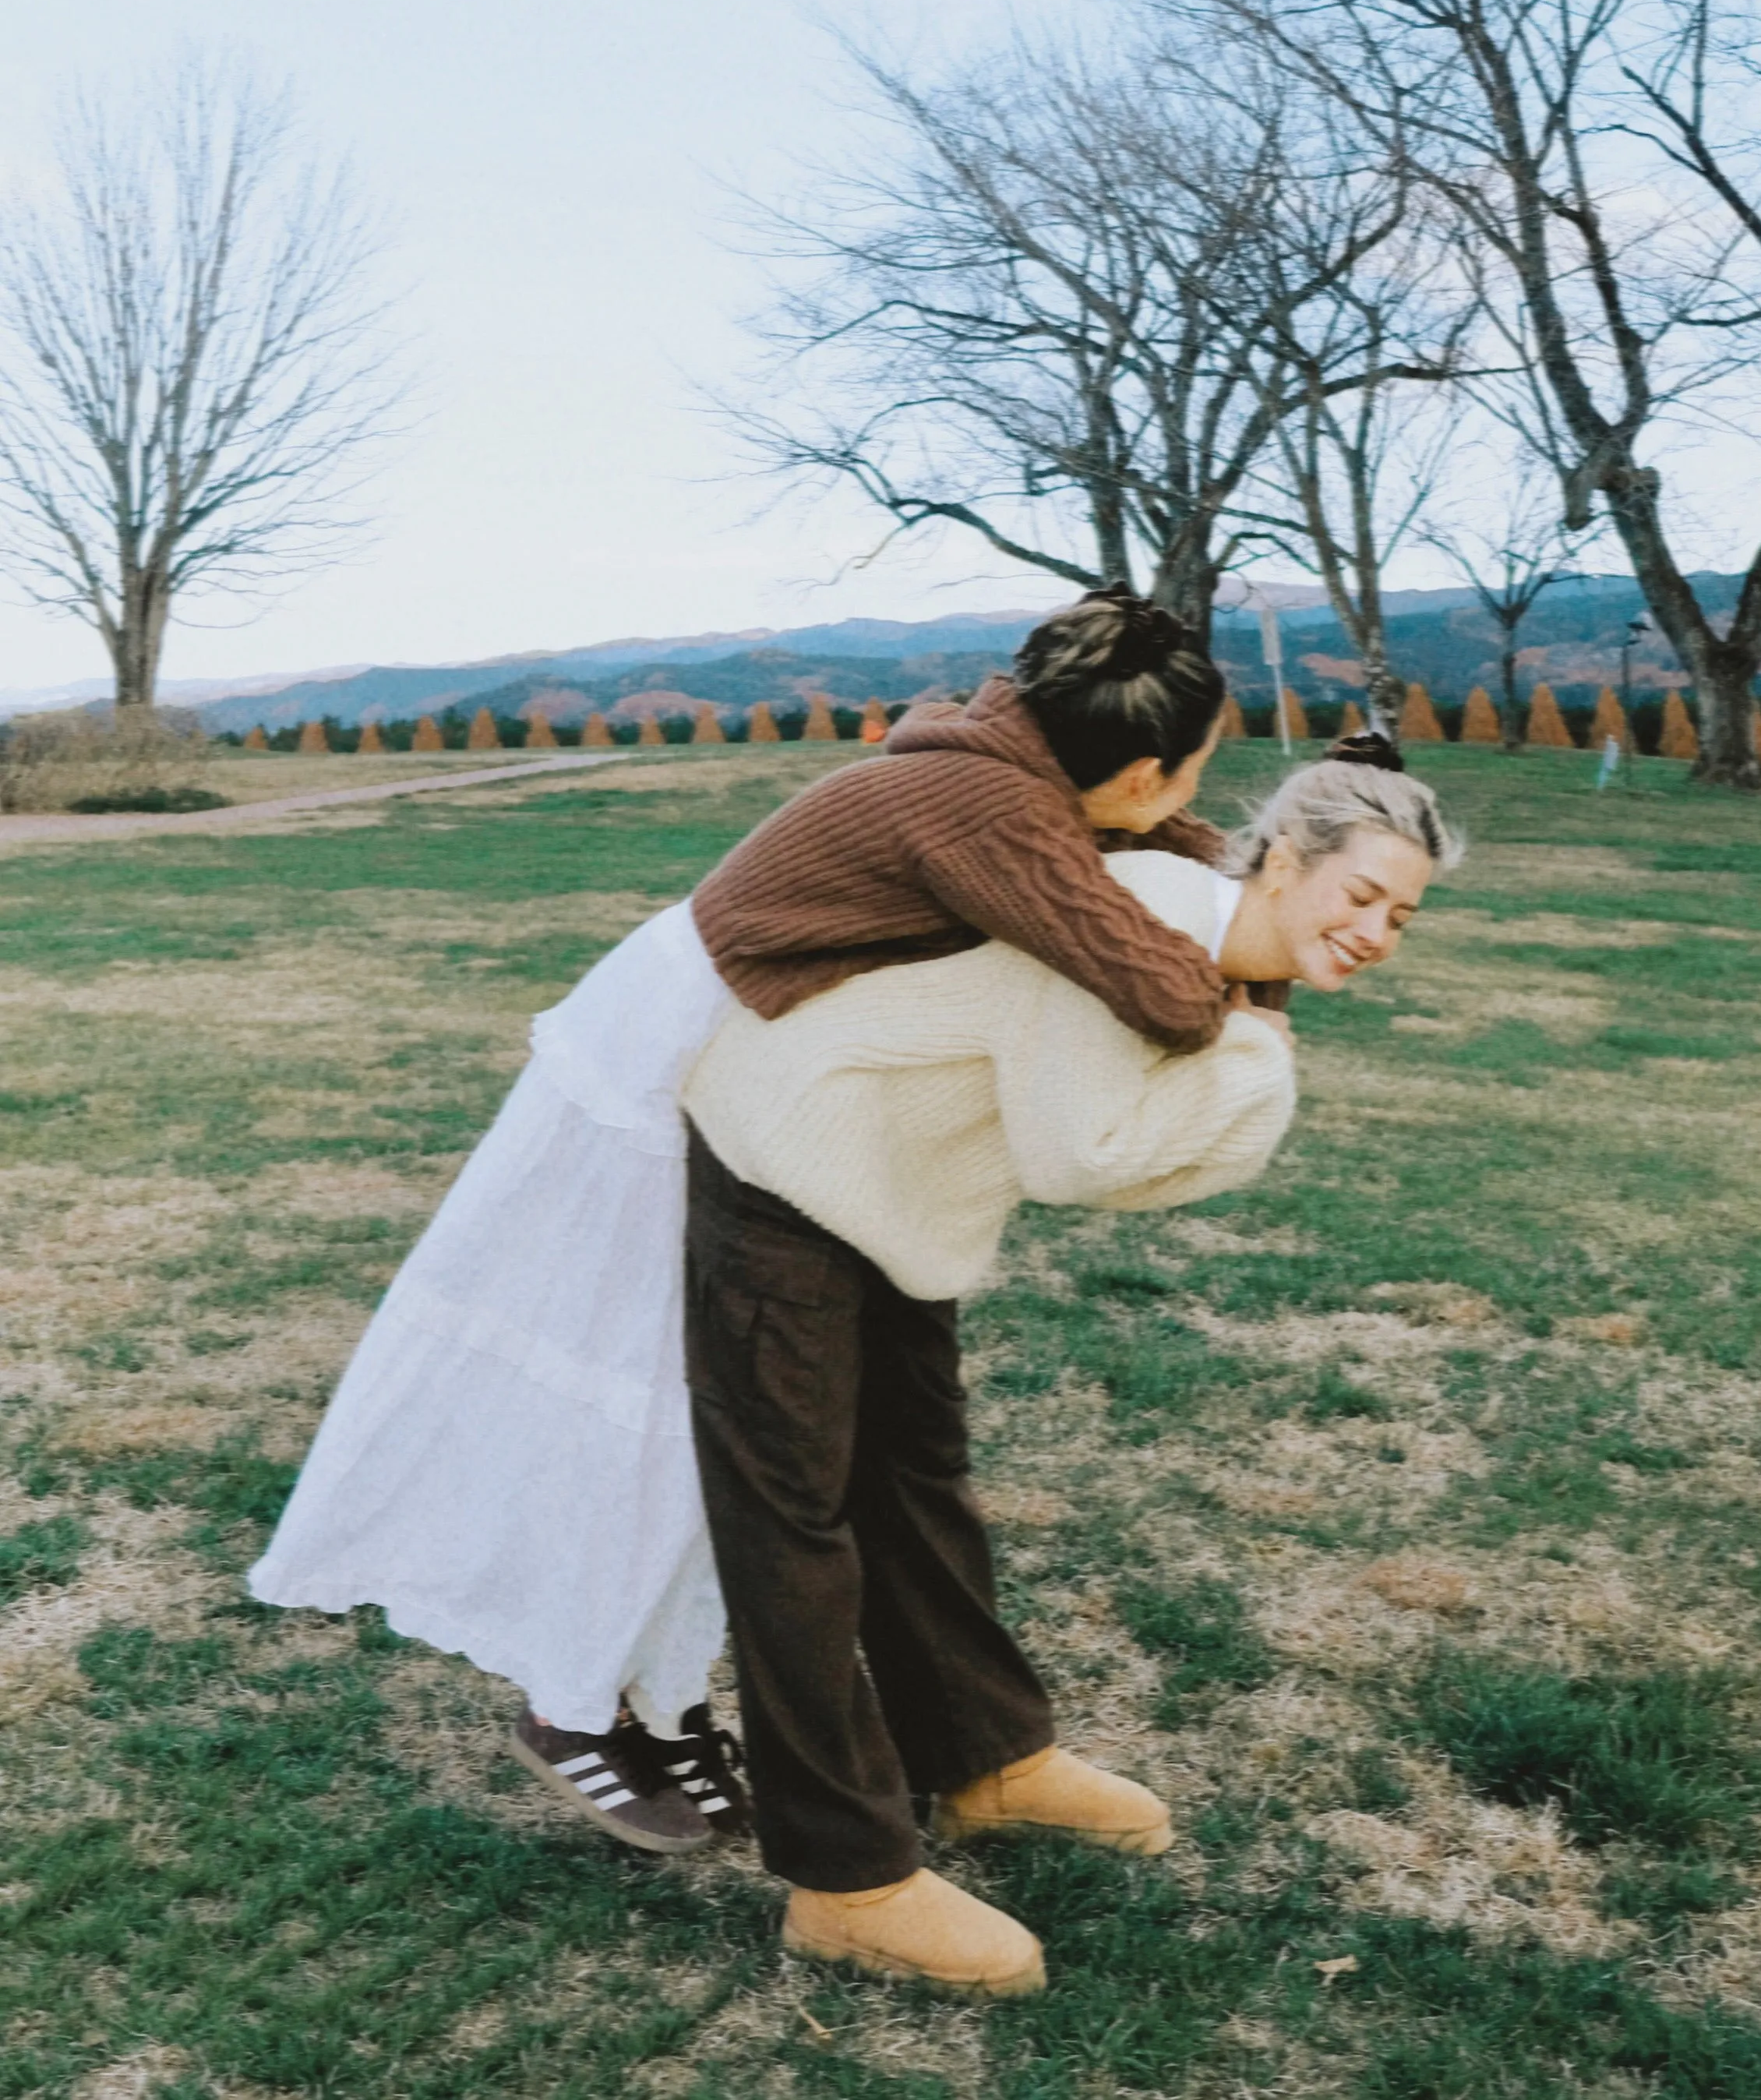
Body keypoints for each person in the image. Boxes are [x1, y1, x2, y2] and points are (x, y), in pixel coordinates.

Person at [250, 595, 1250, 1852]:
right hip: (672, 1077)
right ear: (1145, 765)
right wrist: (1253, 963)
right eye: (1191, 771)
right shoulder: (984, 808)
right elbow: (1163, 989)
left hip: (734, 1062)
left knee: (731, 1412)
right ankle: (580, 1703)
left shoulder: (995, 765)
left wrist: (1220, 871)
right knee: (667, 1405)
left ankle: (664, 1701)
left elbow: (1127, 857)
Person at [675, 746, 1459, 1996]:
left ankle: (984, 1760)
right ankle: (845, 1882)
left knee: (920, 1477)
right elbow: (1082, 1150)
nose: (1372, 931)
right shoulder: (1151, 913)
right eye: (1357, 894)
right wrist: (1259, 1061)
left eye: (1400, 917)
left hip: (898, 1190)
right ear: (1283, 856)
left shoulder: (1218, 956)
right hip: (788, 1155)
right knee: (794, 1525)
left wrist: (1248, 1035)